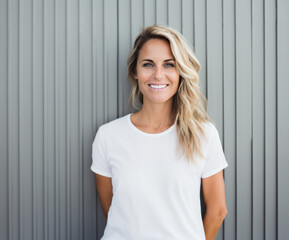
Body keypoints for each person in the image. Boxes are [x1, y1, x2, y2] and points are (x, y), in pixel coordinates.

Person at [91, 25, 228, 240]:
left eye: (169, 65)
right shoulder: (108, 136)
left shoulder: (203, 134)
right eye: (148, 64)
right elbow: (113, 210)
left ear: (181, 71)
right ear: (135, 72)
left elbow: (218, 211)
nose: (158, 74)